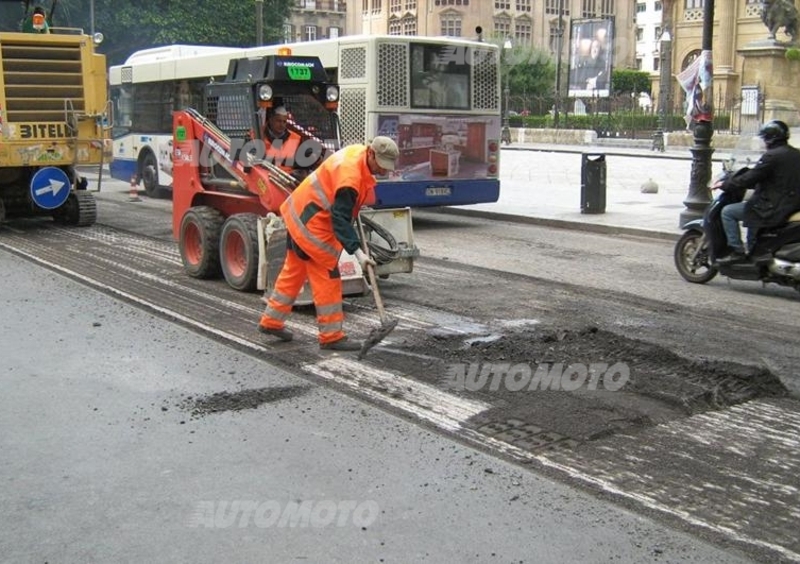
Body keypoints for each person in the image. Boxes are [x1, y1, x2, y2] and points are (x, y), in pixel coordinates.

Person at [257, 136, 400, 351]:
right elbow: (340, 219)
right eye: (381, 165)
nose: (383, 171)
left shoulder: (357, 153)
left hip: (299, 215)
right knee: (329, 278)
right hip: (313, 226)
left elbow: (343, 202)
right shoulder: (349, 177)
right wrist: (358, 254)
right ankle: (331, 336)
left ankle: (271, 322)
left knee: (293, 273)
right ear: (370, 152)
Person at [717, 120, 800, 263]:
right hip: (792, 204)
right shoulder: (796, 154)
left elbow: (751, 177)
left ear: (770, 138)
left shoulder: (772, 156)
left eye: (764, 138)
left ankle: (737, 251)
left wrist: (725, 184)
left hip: (773, 206)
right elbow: (775, 177)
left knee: (728, 212)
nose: (763, 142)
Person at [263, 106, 303, 176]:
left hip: (287, 180)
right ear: (270, 120)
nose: (282, 125)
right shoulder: (257, 134)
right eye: (278, 121)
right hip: (263, 175)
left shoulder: (295, 139)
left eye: (284, 122)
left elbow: (301, 162)